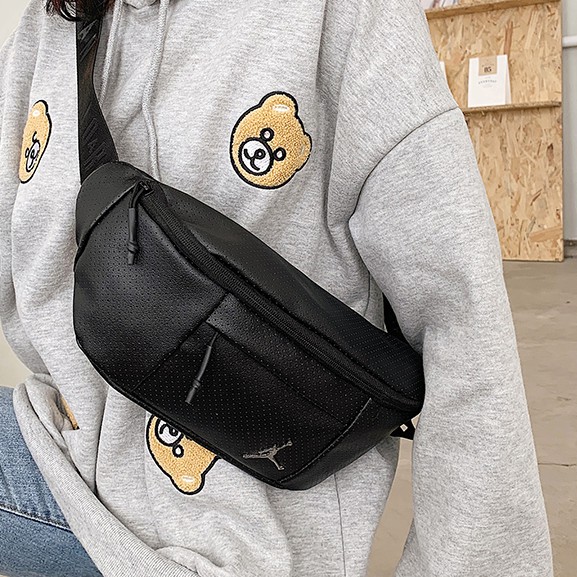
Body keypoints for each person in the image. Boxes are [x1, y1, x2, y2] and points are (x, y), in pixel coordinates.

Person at [0, 0, 554, 576]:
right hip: (65, 463)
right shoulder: (47, 31)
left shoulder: (340, 16)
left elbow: (465, 331)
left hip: (246, 545)